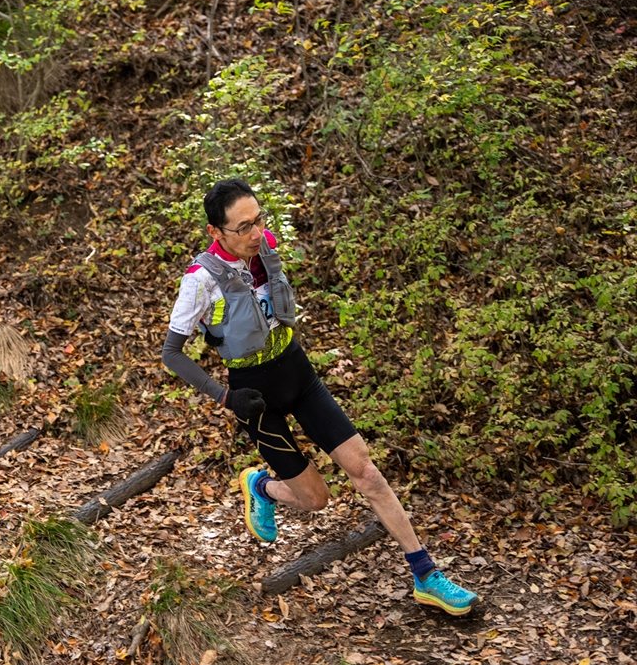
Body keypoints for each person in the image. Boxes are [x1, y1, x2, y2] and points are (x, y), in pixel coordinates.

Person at [160, 178, 480, 616]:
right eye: (244, 227)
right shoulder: (199, 281)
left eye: (259, 220)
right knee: (315, 500)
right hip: (254, 397)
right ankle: (262, 486)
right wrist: (224, 397)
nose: (257, 233)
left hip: (298, 372)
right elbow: (172, 354)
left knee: (367, 473)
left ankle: (426, 575)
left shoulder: (265, 247)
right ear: (216, 232)